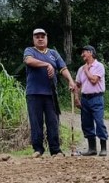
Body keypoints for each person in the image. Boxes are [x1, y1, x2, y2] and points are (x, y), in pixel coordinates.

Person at [23, 28, 77, 157]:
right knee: (36, 122)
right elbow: (28, 61)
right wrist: (47, 65)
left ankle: (55, 150)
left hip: (51, 93)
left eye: (42, 36)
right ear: (33, 39)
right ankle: (38, 149)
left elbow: (63, 68)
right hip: (34, 93)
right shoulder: (30, 51)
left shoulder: (53, 53)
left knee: (53, 121)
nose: (40, 39)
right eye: (37, 37)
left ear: (46, 38)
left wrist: (70, 81)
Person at [73, 45, 108, 156]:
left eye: (84, 52)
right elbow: (77, 85)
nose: (82, 55)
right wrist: (76, 98)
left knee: (99, 122)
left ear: (91, 53)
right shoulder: (80, 69)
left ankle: (103, 148)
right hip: (85, 99)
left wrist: (86, 70)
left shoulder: (99, 66)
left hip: (97, 98)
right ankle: (92, 149)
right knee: (86, 123)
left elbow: (94, 80)